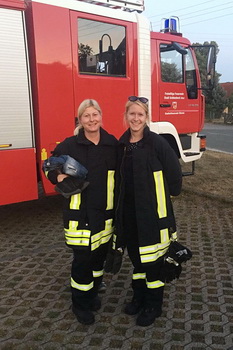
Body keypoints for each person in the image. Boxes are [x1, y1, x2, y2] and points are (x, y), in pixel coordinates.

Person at [44, 99, 118, 325]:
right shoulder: (70, 145)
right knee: (82, 261)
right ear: (80, 120)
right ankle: (80, 304)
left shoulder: (112, 144)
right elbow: (49, 164)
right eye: (86, 116)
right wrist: (57, 176)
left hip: (105, 216)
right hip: (80, 216)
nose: (92, 120)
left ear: (101, 116)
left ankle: (93, 293)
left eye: (95, 114)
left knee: (98, 259)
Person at [115, 96, 182, 327]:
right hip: (129, 215)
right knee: (137, 260)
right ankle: (139, 297)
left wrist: (168, 196)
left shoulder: (156, 143)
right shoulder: (122, 144)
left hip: (152, 217)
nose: (136, 118)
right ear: (126, 116)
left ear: (147, 118)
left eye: (140, 114)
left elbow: (174, 173)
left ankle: (153, 305)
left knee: (153, 262)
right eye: (132, 114)